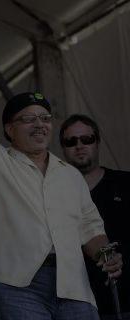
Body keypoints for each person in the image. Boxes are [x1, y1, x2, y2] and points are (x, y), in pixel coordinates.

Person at [0, 22, 122, 319]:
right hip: (19, 284)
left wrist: (105, 253)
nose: (39, 124)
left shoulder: (69, 175)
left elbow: (91, 228)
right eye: (28, 119)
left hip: (74, 285)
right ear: (9, 129)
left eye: (45, 118)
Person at [60, 114, 130, 319]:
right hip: (79, 305)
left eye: (86, 139)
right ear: (63, 149)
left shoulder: (125, 183)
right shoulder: (55, 196)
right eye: (71, 141)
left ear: (97, 142)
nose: (79, 145)